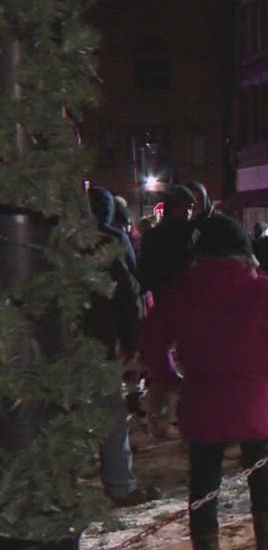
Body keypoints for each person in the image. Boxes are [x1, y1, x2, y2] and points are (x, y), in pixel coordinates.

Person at [138, 215, 268, 550]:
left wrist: (170, 381)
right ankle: (267, 538)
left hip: (203, 397)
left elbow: (152, 343)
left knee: (203, 481)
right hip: (255, 395)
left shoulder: (178, 292)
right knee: (261, 467)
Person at [85, 187, 155, 506]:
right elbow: (127, 293)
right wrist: (130, 339)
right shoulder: (108, 242)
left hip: (60, 340)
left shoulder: (55, 240)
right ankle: (119, 484)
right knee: (110, 411)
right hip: (99, 340)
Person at [138, 185, 197, 300]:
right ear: (171, 208)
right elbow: (146, 271)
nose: (187, 212)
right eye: (181, 207)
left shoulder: (195, 233)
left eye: (190, 207)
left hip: (191, 298)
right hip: (165, 296)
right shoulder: (153, 236)